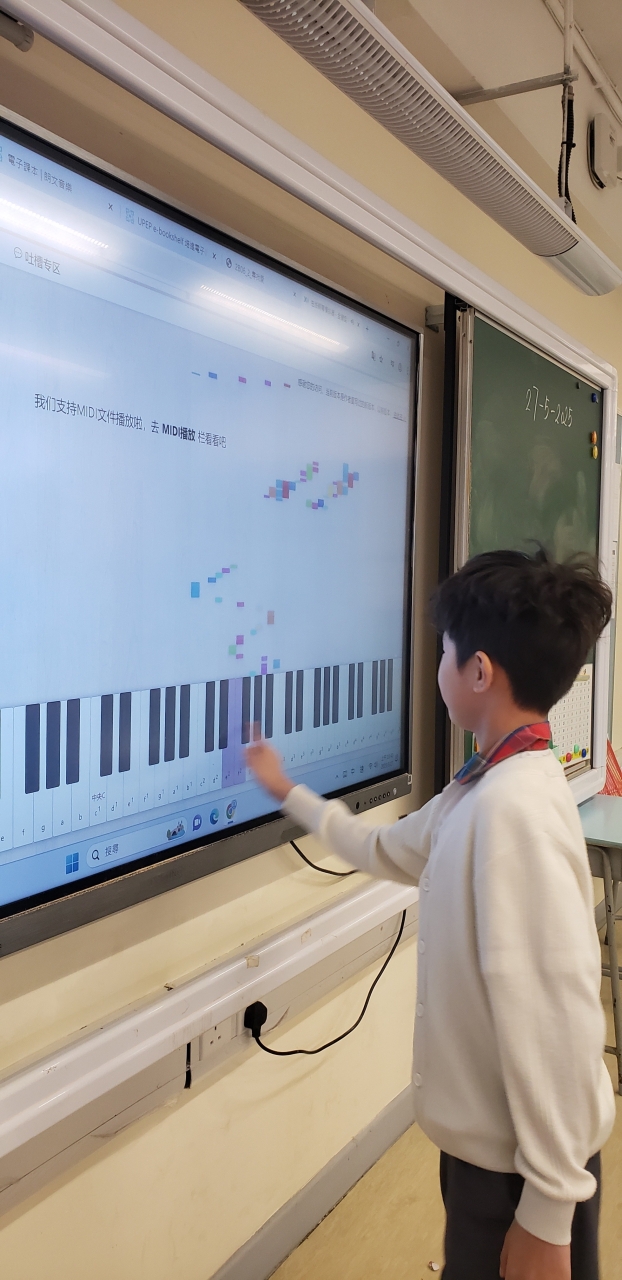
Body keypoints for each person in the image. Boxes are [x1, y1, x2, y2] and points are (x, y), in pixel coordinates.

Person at [245, 548, 616, 1280]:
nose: (436, 668)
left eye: (444, 652)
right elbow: (386, 848)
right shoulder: (484, 788)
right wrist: (289, 792)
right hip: (495, 1160)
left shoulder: (513, 813)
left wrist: (549, 1209)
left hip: (523, 1178)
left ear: (479, 672)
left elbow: (557, 1018)